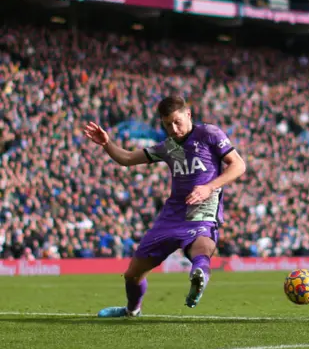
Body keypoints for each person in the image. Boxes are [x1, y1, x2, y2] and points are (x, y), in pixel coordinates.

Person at [84, 95, 246, 317]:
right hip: (170, 217)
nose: (173, 128)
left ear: (188, 115)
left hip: (202, 210)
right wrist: (106, 143)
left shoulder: (208, 134)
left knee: (201, 247)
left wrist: (209, 187)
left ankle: (199, 274)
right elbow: (128, 158)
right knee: (132, 275)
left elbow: (238, 165)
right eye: (167, 124)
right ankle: (132, 311)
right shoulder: (168, 147)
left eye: (177, 121)